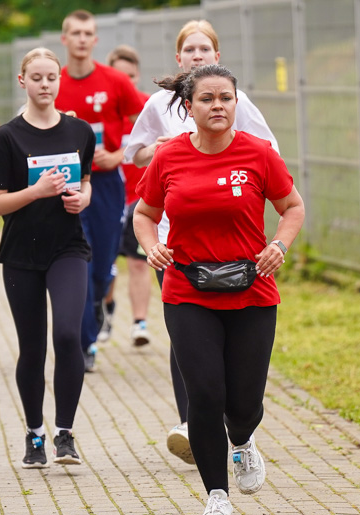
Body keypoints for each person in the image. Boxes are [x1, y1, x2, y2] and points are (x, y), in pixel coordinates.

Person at [133, 64, 305, 515]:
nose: (218, 106)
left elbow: (292, 207)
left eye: (225, 98)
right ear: (188, 107)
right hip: (187, 289)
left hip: (252, 289)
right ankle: (216, 497)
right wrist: (152, 246)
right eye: (207, 99)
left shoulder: (259, 154)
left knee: (244, 401)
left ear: (236, 103)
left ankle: (243, 440)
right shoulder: (168, 157)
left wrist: (278, 245)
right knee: (205, 393)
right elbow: (144, 213)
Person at [123, 19, 279, 465]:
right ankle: (194, 420)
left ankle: (237, 423)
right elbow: (134, 152)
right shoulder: (159, 104)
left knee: (231, 345)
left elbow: (268, 151)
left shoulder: (235, 101)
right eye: (188, 49)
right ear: (178, 59)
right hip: (173, 241)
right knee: (187, 330)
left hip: (232, 245)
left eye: (204, 49)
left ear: (217, 56)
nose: (196, 56)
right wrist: (174, 148)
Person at [0, 48, 96, 468]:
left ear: (60, 80)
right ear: (22, 81)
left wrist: (82, 199)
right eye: (37, 77)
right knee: (33, 349)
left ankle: (65, 433)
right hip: (22, 254)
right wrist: (36, 192)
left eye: (52, 77)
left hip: (68, 248)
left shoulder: (80, 132)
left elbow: (84, 182)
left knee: (68, 334)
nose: (46, 84)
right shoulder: (7, 138)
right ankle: (35, 435)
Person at [55, 9, 144, 372]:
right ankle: (85, 343)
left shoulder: (114, 81)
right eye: (74, 32)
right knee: (79, 259)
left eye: (87, 33)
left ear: (95, 40)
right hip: (65, 186)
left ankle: (95, 305)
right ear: (65, 39)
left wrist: (121, 154)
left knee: (103, 265)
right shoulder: (53, 81)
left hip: (107, 185)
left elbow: (145, 120)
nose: (80, 39)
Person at [102, 44, 152, 347]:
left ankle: (139, 323)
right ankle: (105, 311)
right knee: (105, 264)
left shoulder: (148, 107)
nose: (126, 83)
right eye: (120, 76)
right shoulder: (102, 109)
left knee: (137, 262)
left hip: (140, 199)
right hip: (107, 198)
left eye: (131, 77)